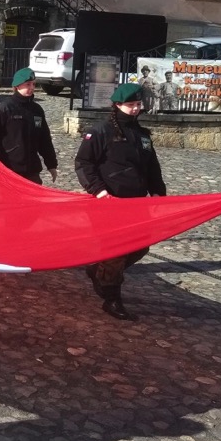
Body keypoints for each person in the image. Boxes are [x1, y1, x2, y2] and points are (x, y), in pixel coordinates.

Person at [75, 83, 167, 321]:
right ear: (117, 105)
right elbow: (83, 163)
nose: (136, 109)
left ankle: (99, 271)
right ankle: (112, 298)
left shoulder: (143, 135)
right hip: (110, 202)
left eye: (138, 104)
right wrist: (99, 191)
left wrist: (158, 192)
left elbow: (152, 167)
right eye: (131, 105)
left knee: (141, 246)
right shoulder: (100, 132)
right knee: (116, 251)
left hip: (137, 204)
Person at [0, 67, 58, 184]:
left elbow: (44, 139)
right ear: (17, 86)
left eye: (33, 84)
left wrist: (51, 164)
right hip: (10, 168)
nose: (31, 88)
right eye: (28, 84)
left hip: (32, 169)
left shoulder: (37, 110)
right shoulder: (5, 109)